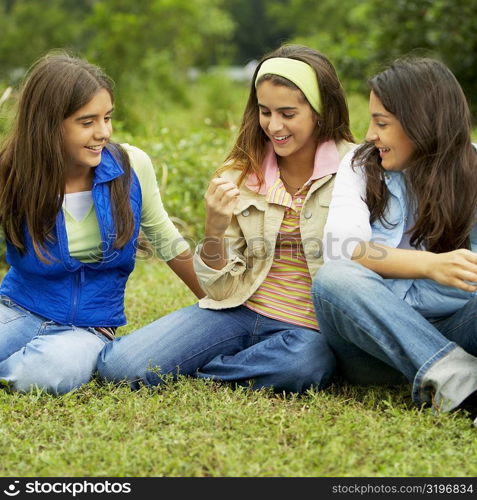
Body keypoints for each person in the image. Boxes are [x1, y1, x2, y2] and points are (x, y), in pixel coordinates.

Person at [97, 44, 355, 393]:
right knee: (120, 367)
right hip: (238, 310)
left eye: (288, 113)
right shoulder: (239, 173)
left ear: (320, 110)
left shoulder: (355, 171)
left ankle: (208, 373)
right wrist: (214, 227)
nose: (273, 125)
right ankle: (249, 364)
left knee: (305, 362)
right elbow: (218, 289)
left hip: (307, 330)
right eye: (265, 111)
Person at [0, 51, 204, 395]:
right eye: (87, 122)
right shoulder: (12, 172)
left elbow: (166, 239)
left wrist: (218, 306)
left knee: (45, 376)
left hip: (89, 327)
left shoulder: (131, 166)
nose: (103, 132)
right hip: (20, 307)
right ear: (49, 123)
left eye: (107, 118)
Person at [312, 57, 477, 419]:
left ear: (421, 125)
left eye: (381, 123)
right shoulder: (359, 164)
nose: (371, 134)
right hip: (371, 351)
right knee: (335, 278)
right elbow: (343, 248)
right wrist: (431, 265)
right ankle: (459, 381)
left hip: (455, 331)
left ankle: (451, 376)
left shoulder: (473, 170)